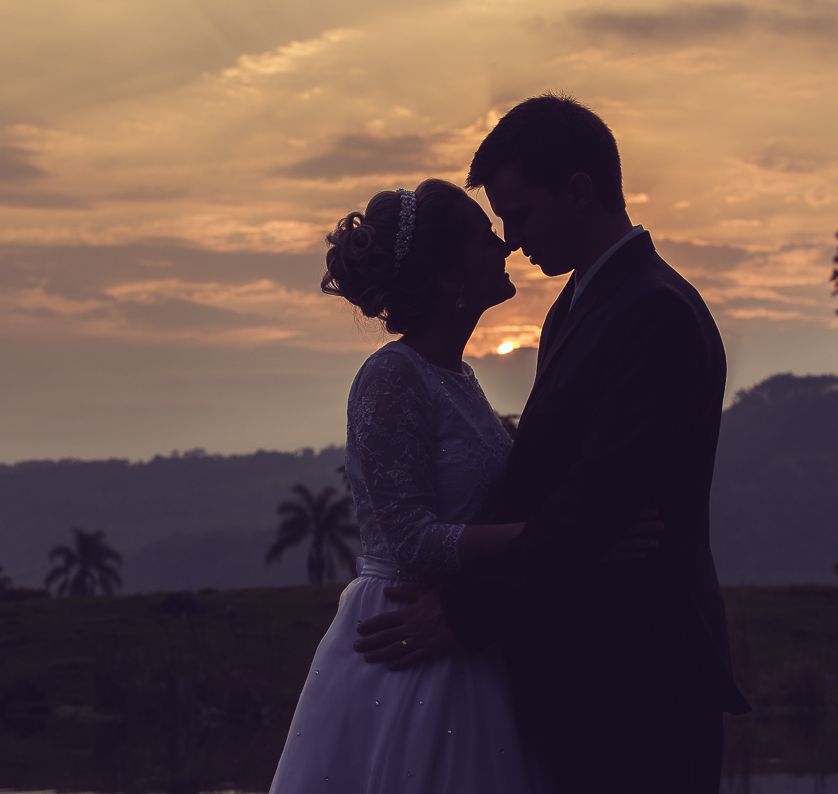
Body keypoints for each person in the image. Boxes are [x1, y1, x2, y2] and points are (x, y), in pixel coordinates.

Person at [353, 94, 751, 794]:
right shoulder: (581, 306)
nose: (510, 238)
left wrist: (464, 612)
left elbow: (594, 502)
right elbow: (558, 502)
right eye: (499, 224)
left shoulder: (653, 311)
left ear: (579, 192)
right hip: (588, 685)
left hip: (639, 690)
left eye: (521, 215)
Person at [267, 178, 659, 794]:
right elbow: (413, 543)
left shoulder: (459, 377)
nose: (504, 244)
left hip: (467, 635)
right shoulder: (391, 377)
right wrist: (568, 540)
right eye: (484, 238)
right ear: (451, 278)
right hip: (407, 636)